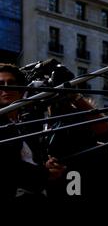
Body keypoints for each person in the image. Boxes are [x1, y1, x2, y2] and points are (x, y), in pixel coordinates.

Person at [0, 63, 66, 204]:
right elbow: (9, 167)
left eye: (11, 83)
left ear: (20, 90)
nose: (6, 87)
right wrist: (46, 174)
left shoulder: (24, 124)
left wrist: (46, 166)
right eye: (1, 84)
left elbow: (30, 161)